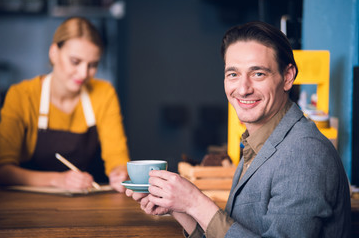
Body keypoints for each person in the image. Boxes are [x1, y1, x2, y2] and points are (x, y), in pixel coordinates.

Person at [126, 21, 351, 237]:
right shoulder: (260, 141)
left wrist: (196, 202)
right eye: (233, 74)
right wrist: (179, 206)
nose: (243, 89)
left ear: (288, 76)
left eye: (258, 74)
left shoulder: (303, 153)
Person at [0, 17, 130, 192]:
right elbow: (3, 170)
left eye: (92, 65)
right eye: (75, 62)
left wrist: (120, 173)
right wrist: (58, 180)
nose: (84, 73)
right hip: (28, 208)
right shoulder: (22, 95)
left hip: (89, 204)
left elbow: (118, 160)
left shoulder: (104, 94)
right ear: (54, 52)